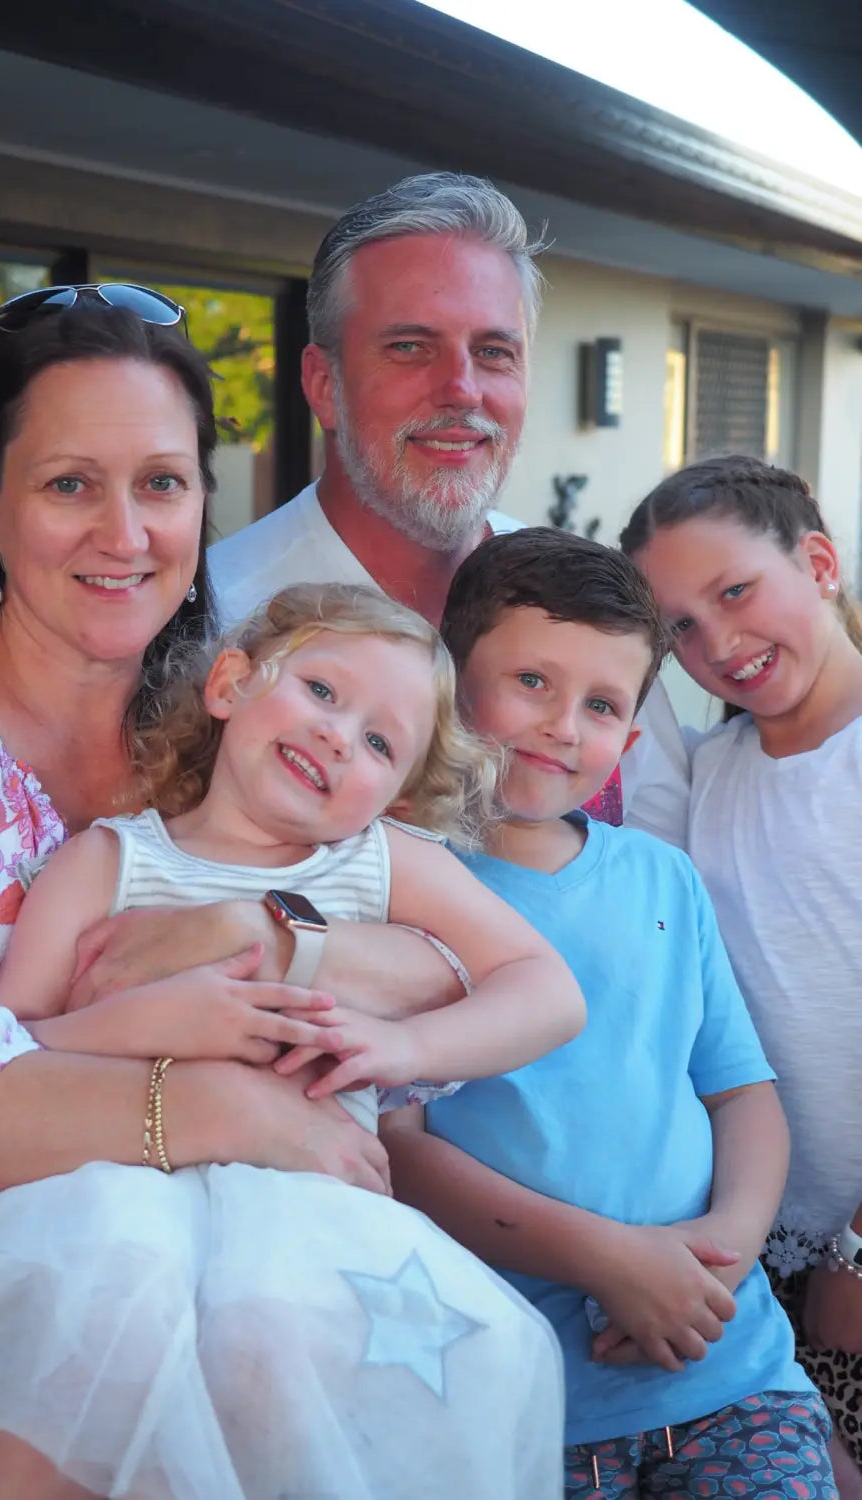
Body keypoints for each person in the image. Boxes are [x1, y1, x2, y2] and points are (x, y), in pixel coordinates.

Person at [0, 287, 497, 1499]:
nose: (126, 531)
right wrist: (219, 1107)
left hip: (239, 1314)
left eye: (161, 482)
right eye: (68, 485)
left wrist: (259, 936)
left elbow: (445, 970)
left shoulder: (247, 715)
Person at [0, 581, 572, 1499]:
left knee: (275, 1389)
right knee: (70, 1379)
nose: (339, 735)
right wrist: (146, 1023)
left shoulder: (379, 867)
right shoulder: (104, 863)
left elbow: (546, 991)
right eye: (320, 690)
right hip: (98, 1215)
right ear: (229, 683)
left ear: (396, 796)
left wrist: (406, 1051)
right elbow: (8, 1051)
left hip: (303, 1233)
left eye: (381, 743)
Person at [383, 527, 836, 1497]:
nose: (561, 727)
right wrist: (610, 1261)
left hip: (731, 1374)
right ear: (448, 682)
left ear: (630, 738)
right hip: (521, 1405)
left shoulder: (662, 878)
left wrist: (720, 1258)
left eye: (600, 704)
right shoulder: (398, 888)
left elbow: (742, 1094)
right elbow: (399, 1146)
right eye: (532, 682)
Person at [208, 170, 689, 833]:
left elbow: (665, 848)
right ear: (323, 385)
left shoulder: (587, 612)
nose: (461, 389)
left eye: (493, 353)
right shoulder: (218, 620)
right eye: (409, 348)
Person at [622, 454, 862, 1492]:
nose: (716, 645)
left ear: (817, 562)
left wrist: (858, 1256)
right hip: (763, 1249)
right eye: (680, 625)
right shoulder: (705, 773)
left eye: (735, 592)